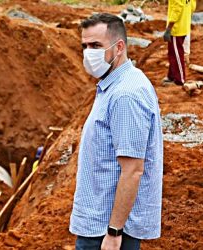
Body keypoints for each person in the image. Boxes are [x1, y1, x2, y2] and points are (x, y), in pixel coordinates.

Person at [69, 13, 163, 250]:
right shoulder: (114, 85)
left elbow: (133, 170)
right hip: (98, 223)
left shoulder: (126, 95)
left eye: (96, 46)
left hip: (106, 231)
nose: (88, 53)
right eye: (85, 46)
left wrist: (114, 232)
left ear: (119, 47)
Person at [162, 0, 196, 86]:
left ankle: (179, 79)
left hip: (177, 28)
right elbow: (192, 5)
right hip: (184, 25)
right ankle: (171, 75)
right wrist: (186, 18)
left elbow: (177, 8)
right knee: (173, 52)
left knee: (177, 53)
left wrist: (169, 27)